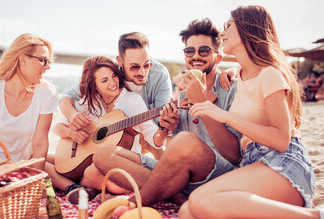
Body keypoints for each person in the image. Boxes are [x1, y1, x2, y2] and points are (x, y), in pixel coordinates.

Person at [178, 5, 320, 219]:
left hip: (283, 162)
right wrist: (226, 74)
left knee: (200, 201)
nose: (223, 32)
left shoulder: (270, 74)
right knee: (188, 214)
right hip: (254, 161)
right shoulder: (238, 74)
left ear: (247, 29)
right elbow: (236, 77)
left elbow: (282, 140)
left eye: (229, 25)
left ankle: (314, 218)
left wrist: (223, 115)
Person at [92, 18, 242, 206]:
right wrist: (166, 125)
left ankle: (134, 203)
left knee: (185, 142)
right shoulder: (184, 91)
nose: (195, 56)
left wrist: (202, 103)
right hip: (183, 176)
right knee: (103, 154)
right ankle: (178, 197)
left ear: (218, 58)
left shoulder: (232, 88)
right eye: (189, 50)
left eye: (204, 50)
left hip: (217, 173)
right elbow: (172, 152)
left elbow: (234, 155)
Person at [45, 56, 169, 204]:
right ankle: (72, 187)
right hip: (83, 160)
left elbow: (154, 139)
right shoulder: (88, 101)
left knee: (93, 172)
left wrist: (164, 127)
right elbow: (57, 128)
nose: (112, 83)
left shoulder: (132, 100)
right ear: (94, 85)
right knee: (39, 159)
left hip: (117, 166)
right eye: (104, 80)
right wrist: (71, 133)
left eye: (114, 75)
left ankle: (78, 185)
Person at [59, 32, 172, 160]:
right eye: (134, 67)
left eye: (146, 64)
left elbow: (157, 122)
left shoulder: (159, 75)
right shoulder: (109, 69)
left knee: (162, 151)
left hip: (144, 127)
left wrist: (164, 124)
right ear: (120, 61)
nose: (142, 71)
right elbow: (67, 96)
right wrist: (72, 116)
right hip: (115, 137)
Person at [0, 33, 57, 170]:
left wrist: (37, 178)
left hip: (19, 170)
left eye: (48, 61)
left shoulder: (46, 94)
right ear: (22, 59)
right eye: (42, 60)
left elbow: (40, 143)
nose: (47, 67)